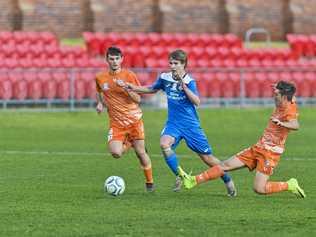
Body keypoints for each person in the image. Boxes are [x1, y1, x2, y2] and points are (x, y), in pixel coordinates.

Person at [121, 49, 236, 196]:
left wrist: (185, 88)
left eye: (176, 63)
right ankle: (181, 176)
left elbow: (197, 101)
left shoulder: (189, 81)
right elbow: (151, 89)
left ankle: (227, 180)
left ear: (183, 64)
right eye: (170, 63)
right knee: (164, 144)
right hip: (173, 123)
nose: (172, 66)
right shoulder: (165, 78)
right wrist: (133, 87)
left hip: (190, 125)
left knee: (207, 158)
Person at [179, 81, 306, 198]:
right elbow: (291, 94)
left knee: (259, 189)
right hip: (258, 147)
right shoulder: (285, 99)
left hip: (270, 154)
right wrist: (279, 86)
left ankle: (290, 185)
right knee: (225, 165)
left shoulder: (289, 109)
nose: (274, 95)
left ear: (284, 96)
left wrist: (282, 124)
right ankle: (193, 180)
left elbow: (296, 125)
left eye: (276, 94)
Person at [95, 46, 154, 192]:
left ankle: (150, 183)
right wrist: (100, 103)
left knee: (141, 153)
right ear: (107, 60)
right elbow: (100, 91)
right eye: (111, 59)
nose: (114, 62)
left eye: (117, 59)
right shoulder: (100, 78)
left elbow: (138, 98)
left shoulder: (129, 75)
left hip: (134, 120)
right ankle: (128, 142)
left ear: (122, 59)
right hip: (116, 123)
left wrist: (127, 88)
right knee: (116, 153)